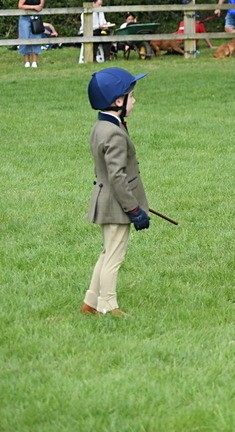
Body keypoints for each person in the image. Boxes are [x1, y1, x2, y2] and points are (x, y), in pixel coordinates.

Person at [82, 67, 151, 317]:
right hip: (117, 204)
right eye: (131, 96)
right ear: (118, 101)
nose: (134, 101)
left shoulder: (101, 126)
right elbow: (117, 176)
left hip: (107, 200)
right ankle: (108, 306)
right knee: (115, 257)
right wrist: (134, 209)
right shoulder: (113, 133)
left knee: (106, 252)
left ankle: (90, 302)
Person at [17, 0, 46, 68]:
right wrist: (33, 7)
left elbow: (41, 4)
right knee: (24, 37)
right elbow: (20, 5)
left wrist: (39, 7)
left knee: (36, 38)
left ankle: (34, 61)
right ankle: (26, 61)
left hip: (36, 18)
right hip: (25, 18)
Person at [79, 0, 116, 64]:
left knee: (107, 35)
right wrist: (99, 26)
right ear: (93, 3)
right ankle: (93, 57)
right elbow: (86, 27)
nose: (100, 6)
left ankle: (107, 57)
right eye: (99, 4)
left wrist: (107, 25)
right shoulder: (85, 13)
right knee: (95, 35)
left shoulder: (101, 12)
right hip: (86, 32)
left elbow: (103, 22)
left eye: (101, 5)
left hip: (99, 30)